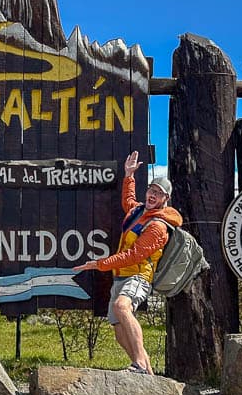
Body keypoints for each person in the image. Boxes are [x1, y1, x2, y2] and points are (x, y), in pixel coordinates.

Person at [73, 150, 182, 374]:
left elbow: (134, 255)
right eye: (151, 190)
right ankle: (147, 372)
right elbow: (128, 200)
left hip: (139, 276)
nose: (152, 195)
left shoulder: (158, 227)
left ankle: (140, 364)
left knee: (122, 307)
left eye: (158, 194)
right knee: (118, 328)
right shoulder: (138, 211)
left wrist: (100, 264)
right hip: (120, 276)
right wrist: (129, 175)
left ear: (165, 199)